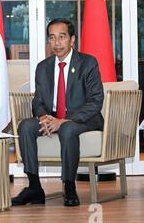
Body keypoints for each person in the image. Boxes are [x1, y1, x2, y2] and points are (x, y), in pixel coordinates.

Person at [11, 18, 104, 207]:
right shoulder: (43, 67)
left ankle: (69, 186)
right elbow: (38, 100)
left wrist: (62, 120)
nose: (57, 43)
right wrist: (43, 116)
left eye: (62, 37)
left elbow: (95, 102)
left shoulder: (88, 63)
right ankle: (35, 188)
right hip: (54, 116)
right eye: (52, 38)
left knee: (67, 129)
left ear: (72, 40)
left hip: (84, 118)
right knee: (26, 126)